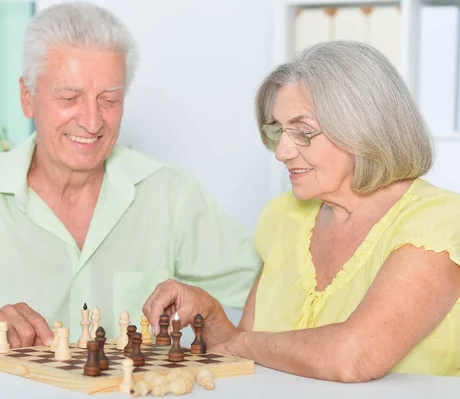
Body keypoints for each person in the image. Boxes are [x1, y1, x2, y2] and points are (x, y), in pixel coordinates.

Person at [0, 2, 260, 350]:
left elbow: (279, 295)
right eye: (69, 98)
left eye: (110, 100)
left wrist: (211, 308)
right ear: (27, 97)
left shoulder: (171, 195)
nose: (91, 121)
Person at [143, 40, 460, 381]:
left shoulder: (439, 222)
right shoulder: (285, 216)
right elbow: (249, 352)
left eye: (303, 132)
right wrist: (210, 313)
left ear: (365, 128)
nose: (282, 152)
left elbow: (354, 356)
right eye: (279, 130)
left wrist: (242, 345)